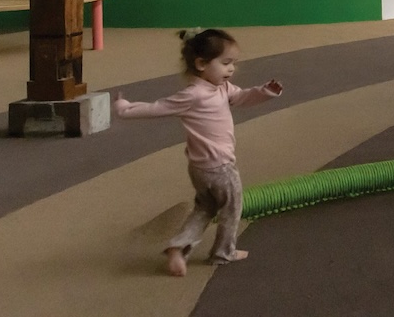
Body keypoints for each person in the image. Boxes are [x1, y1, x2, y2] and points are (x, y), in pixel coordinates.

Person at [112, 28, 283, 276]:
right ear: (201, 64)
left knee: (205, 208)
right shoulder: (194, 95)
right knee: (232, 209)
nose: (231, 69)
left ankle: (178, 247)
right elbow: (157, 108)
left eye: (233, 63)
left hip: (199, 168)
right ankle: (224, 252)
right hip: (220, 167)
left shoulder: (222, 88)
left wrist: (265, 91)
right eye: (225, 63)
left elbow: (242, 97)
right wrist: (124, 108)